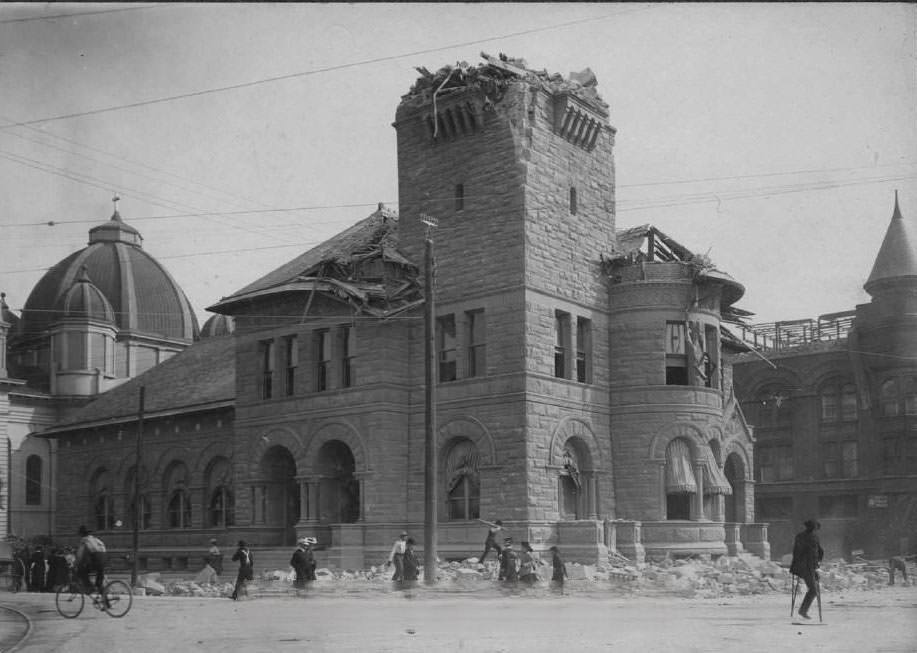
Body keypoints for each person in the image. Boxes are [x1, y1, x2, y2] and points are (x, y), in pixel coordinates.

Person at [790, 519, 824, 620]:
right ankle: (803, 610)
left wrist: (817, 562)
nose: (814, 530)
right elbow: (798, 553)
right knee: (813, 590)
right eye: (814, 528)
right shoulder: (806, 537)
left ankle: (803, 610)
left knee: (814, 589)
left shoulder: (810, 537)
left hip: (809, 567)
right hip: (804, 567)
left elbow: (819, 551)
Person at [75, 526, 107, 597]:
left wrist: (76, 564)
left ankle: (89, 587)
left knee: (81, 571)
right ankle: (106, 603)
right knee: (99, 584)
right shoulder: (96, 539)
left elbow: (79, 555)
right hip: (104, 559)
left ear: (82, 534)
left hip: (97, 558)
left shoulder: (84, 540)